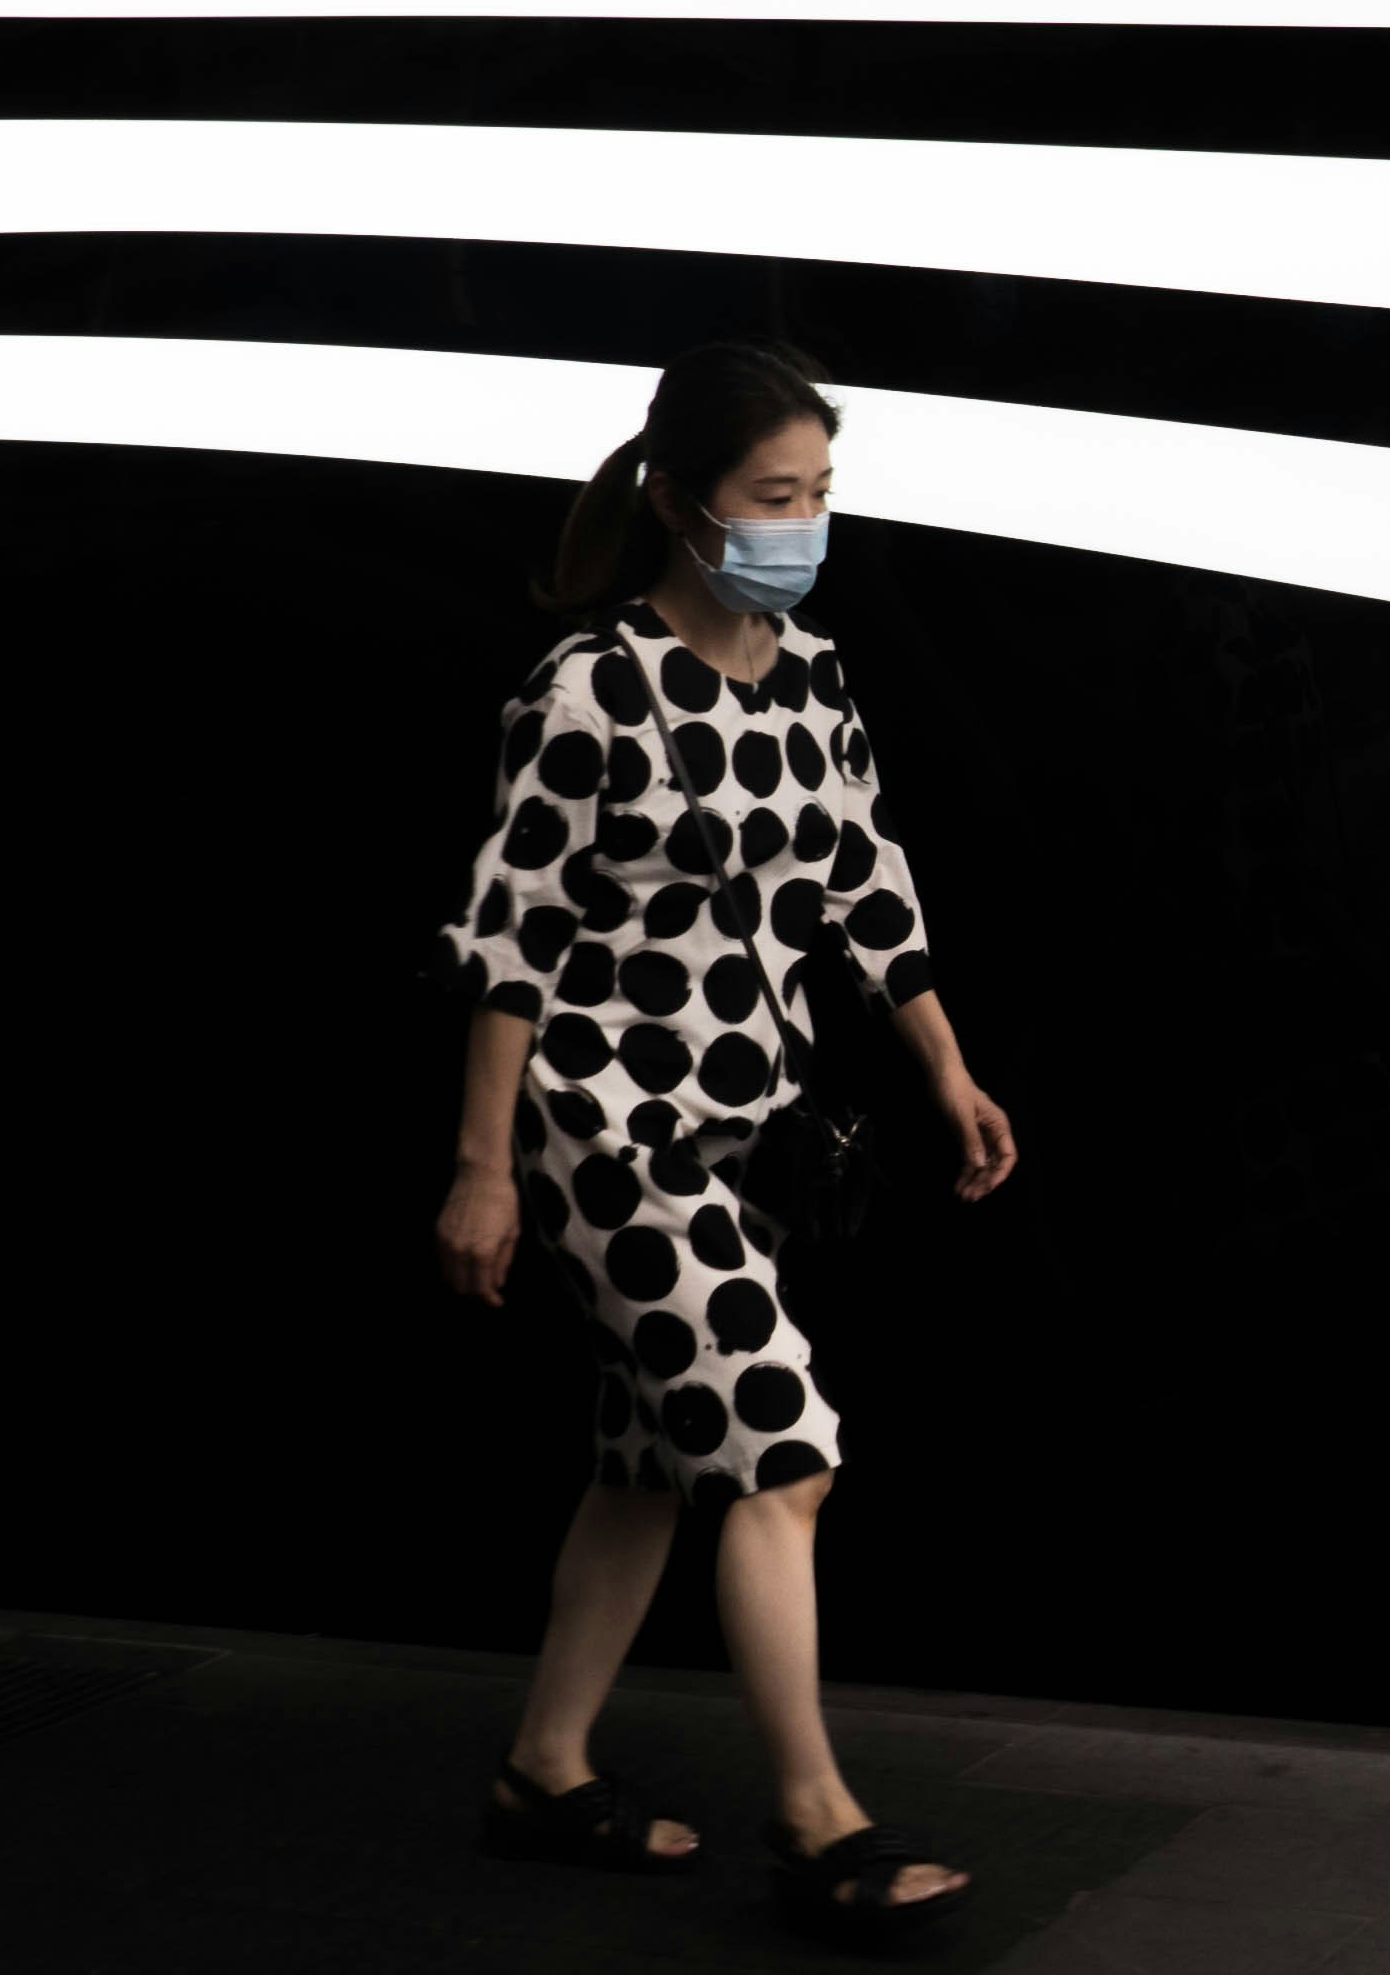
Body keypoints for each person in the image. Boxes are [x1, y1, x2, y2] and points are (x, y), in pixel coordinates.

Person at [428, 338, 1016, 1938]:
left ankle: (542, 1769)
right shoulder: (587, 693)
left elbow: (868, 887)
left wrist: (946, 1069)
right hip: (604, 1127)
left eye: (819, 492)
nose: (803, 522)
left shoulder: (808, 672)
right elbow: (506, 945)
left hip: (741, 1129)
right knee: (782, 1449)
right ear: (682, 503)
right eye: (774, 495)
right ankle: (819, 1816)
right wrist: (484, 1170)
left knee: (646, 1466)